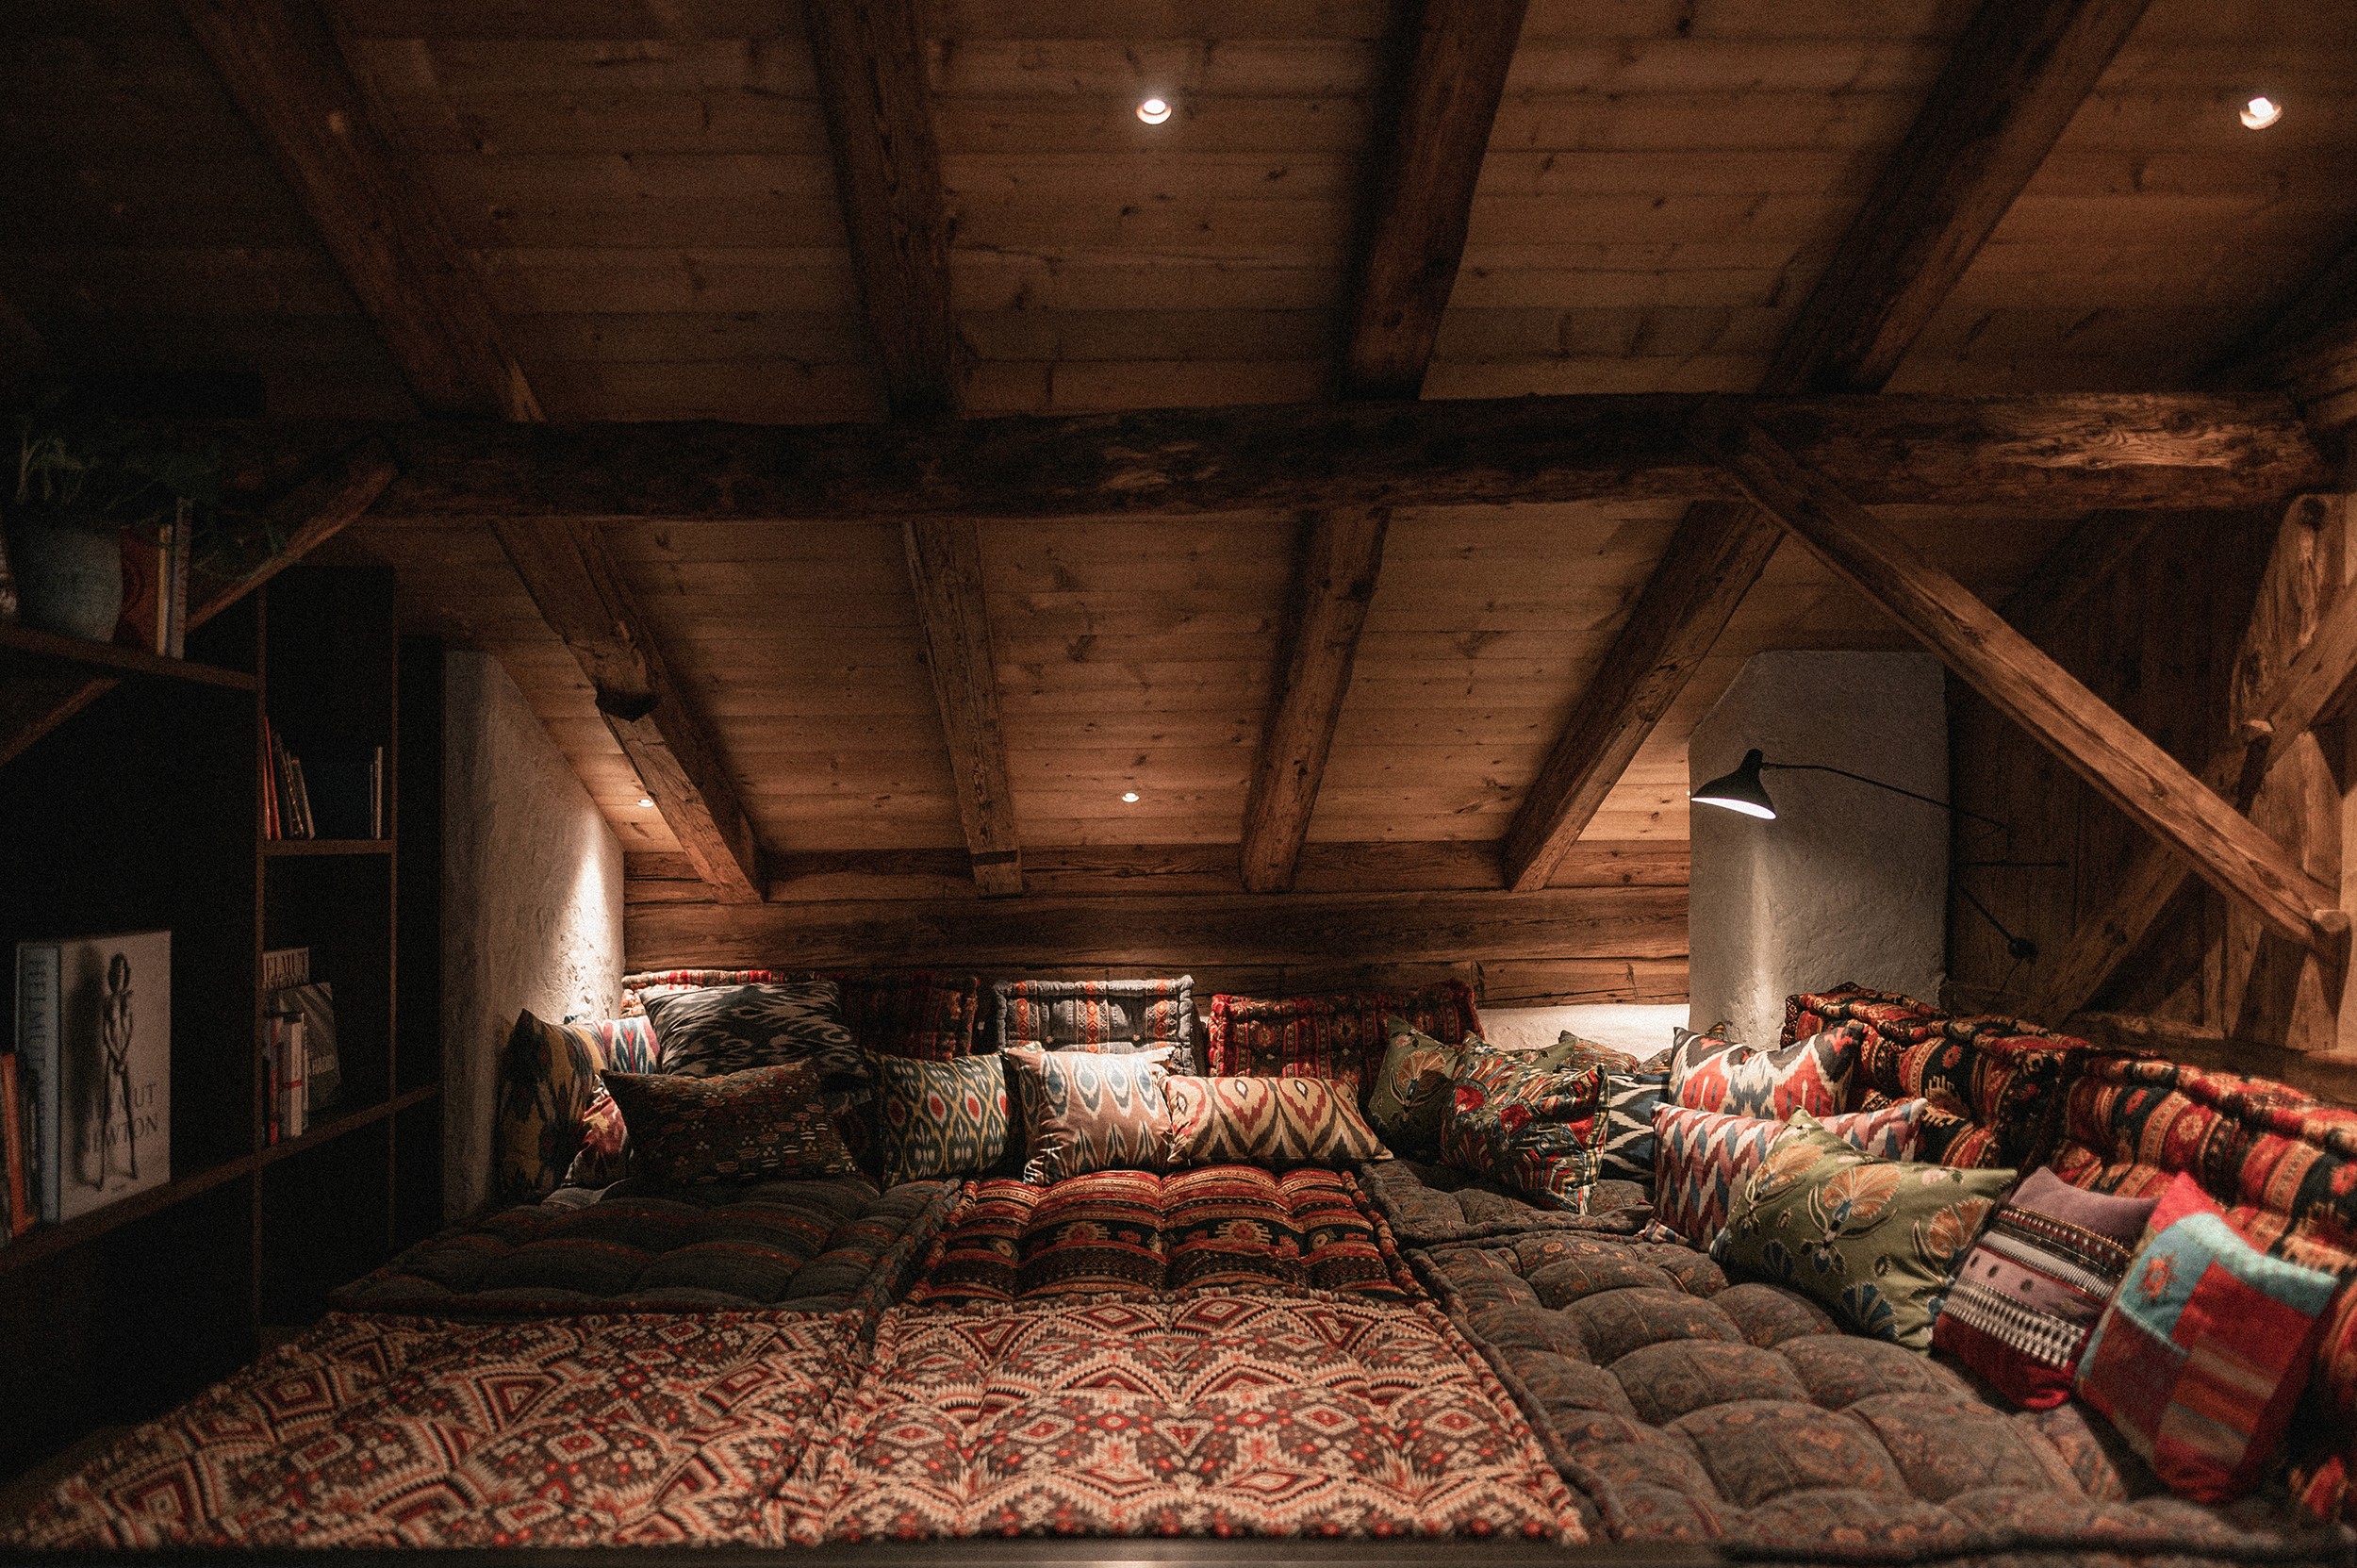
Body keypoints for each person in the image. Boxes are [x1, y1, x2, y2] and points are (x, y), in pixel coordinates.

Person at [100, 950, 137, 1181]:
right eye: (117, 970)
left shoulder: (130, 998)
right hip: (113, 1059)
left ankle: (133, 1158)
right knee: (107, 1112)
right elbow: (105, 1033)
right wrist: (116, 1056)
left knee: (131, 1110)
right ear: (112, 974)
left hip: (126, 1057)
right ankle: (103, 1167)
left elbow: (131, 1028)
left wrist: (125, 1055)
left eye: (123, 970)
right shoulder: (107, 1001)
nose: (120, 974)